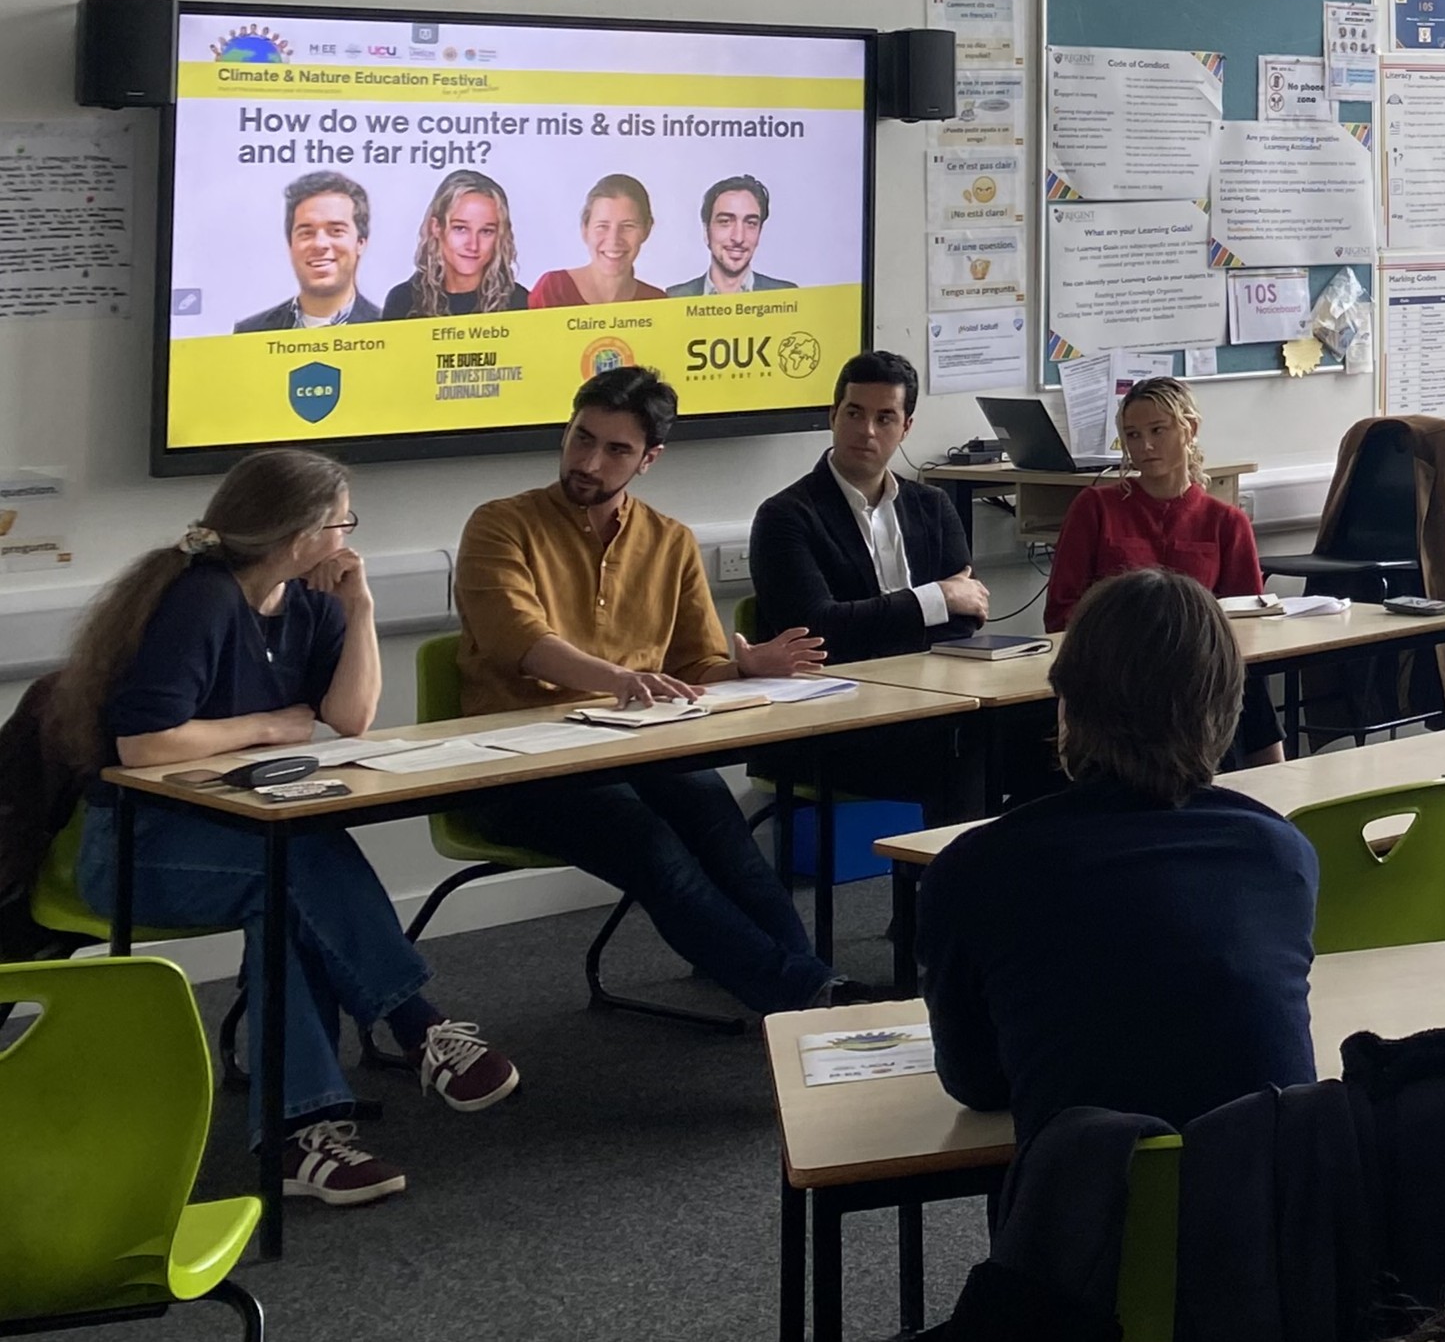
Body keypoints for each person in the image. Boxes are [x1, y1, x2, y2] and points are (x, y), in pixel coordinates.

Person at [59, 450, 518, 1205]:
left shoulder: (306, 605)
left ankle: (301, 1138)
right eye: (342, 521)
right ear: (300, 533)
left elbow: (351, 717)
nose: (348, 536)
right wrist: (270, 725)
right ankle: (417, 1025)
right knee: (294, 863)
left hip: (240, 844)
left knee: (284, 890)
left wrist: (360, 608)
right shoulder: (201, 599)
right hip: (138, 847)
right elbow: (144, 744)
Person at [452, 366, 837, 1014]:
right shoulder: (500, 525)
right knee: (650, 843)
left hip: (635, 748)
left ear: (648, 459)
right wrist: (620, 679)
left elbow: (693, 668)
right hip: (518, 765)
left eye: (615, 449)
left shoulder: (669, 540)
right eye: (581, 438)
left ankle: (807, 982)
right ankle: (804, 992)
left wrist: (746, 667)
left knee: (723, 831)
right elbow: (517, 638)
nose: (588, 462)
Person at [921, 568, 1316, 1145]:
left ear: (1067, 704)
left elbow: (976, 1081)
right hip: (1269, 1193)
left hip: (1087, 1197)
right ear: (1230, 710)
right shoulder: (1282, 854)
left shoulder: (975, 870)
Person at [1043, 375, 1281, 765]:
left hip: (1197, 677)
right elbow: (1060, 612)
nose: (1145, 446)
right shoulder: (1095, 508)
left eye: (1158, 430)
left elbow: (1247, 622)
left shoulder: (1225, 521)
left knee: (1248, 690)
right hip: (1116, 675)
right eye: (1133, 435)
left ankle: (1268, 783)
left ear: (1190, 429)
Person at [749, 350, 992, 660]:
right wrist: (938, 598)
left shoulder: (933, 506)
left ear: (906, 428)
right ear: (833, 416)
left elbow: (967, 615)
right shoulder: (785, 515)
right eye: (854, 414)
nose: (867, 431)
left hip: (935, 680)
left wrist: (864, 623)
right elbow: (814, 633)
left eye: (884, 418)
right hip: (838, 684)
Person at [234, 171, 381, 332]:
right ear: (290, 244)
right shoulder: (250, 333)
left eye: (336, 231)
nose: (320, 244)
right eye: (306, 233)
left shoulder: (389, 330)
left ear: (360, 242)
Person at [378, 169, 529, 319]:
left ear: (500, 235)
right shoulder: (403, 302)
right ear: (436, 227)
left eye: (486, 231)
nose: (473, 245)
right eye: (460, 228)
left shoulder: (519, 303)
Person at [525, 174, 664, 308]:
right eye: (602, 226)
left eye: (628, 226)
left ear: (647, 229)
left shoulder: (658, 303)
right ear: (585, 230)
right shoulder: (553, 290)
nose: (614, 239)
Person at [666, 175, 796, 297]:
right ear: (706, 231)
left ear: (760, 231)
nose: (738, 238)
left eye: (750, 223)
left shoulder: (786, 296)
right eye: (725, 222)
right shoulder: (672, 298)